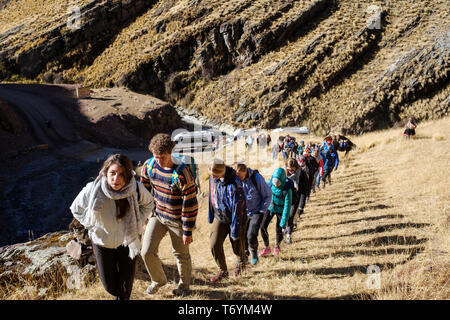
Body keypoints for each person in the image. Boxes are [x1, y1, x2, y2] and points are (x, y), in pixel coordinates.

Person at [70, 154, 155, 300]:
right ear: (105, 172)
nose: (116, 179)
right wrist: (90, 223)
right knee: (110, 287)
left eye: (122, 174)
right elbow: (76, 208)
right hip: (102, 243)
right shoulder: (93, 189)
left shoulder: (136, 189)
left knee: (124, 289)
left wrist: (137, 220)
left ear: (128, 175)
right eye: (113, 173)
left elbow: (149, 204)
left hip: (128, 243)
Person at [140, 133, 198, 297]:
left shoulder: (182, 173)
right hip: (158, 216)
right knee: (146, 251)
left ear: (171, 153)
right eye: (155, 156)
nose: (159, 161)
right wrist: (144, 214)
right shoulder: (149, 166)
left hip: (177, 221)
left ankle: (184, 287)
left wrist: (187, 230)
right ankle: (158, 280)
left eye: (163, 157)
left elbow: (190, 203)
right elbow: (144, 191)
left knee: (181, 254)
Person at [208, 159, 247, 282]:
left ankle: (241, 265)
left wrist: (235, 230)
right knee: (214, 244)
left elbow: (238, 209)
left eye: (215, 175)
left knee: (236, 243)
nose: (212, 177)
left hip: (236, 217)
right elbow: (211, 195)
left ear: (222, 172)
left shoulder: (235, 184)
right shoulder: (213, 178)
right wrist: (211, 214)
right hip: (220, 215)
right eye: (211, 174)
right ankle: (223, 271)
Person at [232, 162, 272, 265]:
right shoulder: (235, 179)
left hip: (256, 211)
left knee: (251, 234)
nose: (239, 179)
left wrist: (262, 210)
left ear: (245, 172)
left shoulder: (256, 178)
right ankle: (245, 254)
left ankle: (254, 252)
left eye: (240, 176)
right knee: (243, 235)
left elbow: (267, 195)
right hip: (243, 213)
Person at [259, 167, 293, 257]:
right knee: (262, 226)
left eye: (278, 182)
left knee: (278, 229)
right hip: (270, 208)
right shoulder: (269, 183)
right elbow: (263, 193)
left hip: (281, 211)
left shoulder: (287, 191)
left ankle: (277, 246)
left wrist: (283, 222)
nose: (276, 184)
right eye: (275, 182)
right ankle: (267, 247)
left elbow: (287, 207)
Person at [283, 158, 301, 244]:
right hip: (284, 197)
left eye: (293, 169)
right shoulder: (282, 172)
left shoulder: (299, 171)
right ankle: (284, 229)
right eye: (289, 169)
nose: (291, 171)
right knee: (284, 215)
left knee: (290, 215)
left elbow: (296, 182)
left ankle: (289, 235)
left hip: (294, 196)